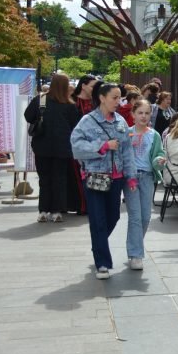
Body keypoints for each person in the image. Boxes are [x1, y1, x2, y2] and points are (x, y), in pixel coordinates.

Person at [69, 81, 137, 279]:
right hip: (94, 177)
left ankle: (98, 244)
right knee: (97, 220)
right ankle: (102, 263)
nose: (118, 101)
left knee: (113, 216)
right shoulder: (87, 121)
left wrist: (131, 177)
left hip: (116, 178)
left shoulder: (120, 122)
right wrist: (103, 145)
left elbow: (128, 151)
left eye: (119, 98)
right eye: (114, 98)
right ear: (102, 98)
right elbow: (76, 147)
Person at [25, 73, 80, 223]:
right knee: (60, 178)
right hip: (62, 147)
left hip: (42, 145)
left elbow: (28, 116)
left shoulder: (40, 100)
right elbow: (76, 125)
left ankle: (43, 210)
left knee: (44, 178)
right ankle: (57, 211)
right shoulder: (70, 104)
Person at [123, 100, 166, 270]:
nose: (143, 116)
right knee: (135, 216)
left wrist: (159, 161)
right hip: (131, 178)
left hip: (148, 177)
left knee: (145, 216)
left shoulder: (154, 135)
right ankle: (135, 254)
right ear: (133, 114)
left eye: (147, 113)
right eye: (140, 112)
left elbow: (158, 155)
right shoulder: (126, 133)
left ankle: (134, 247)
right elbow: (122, 156)